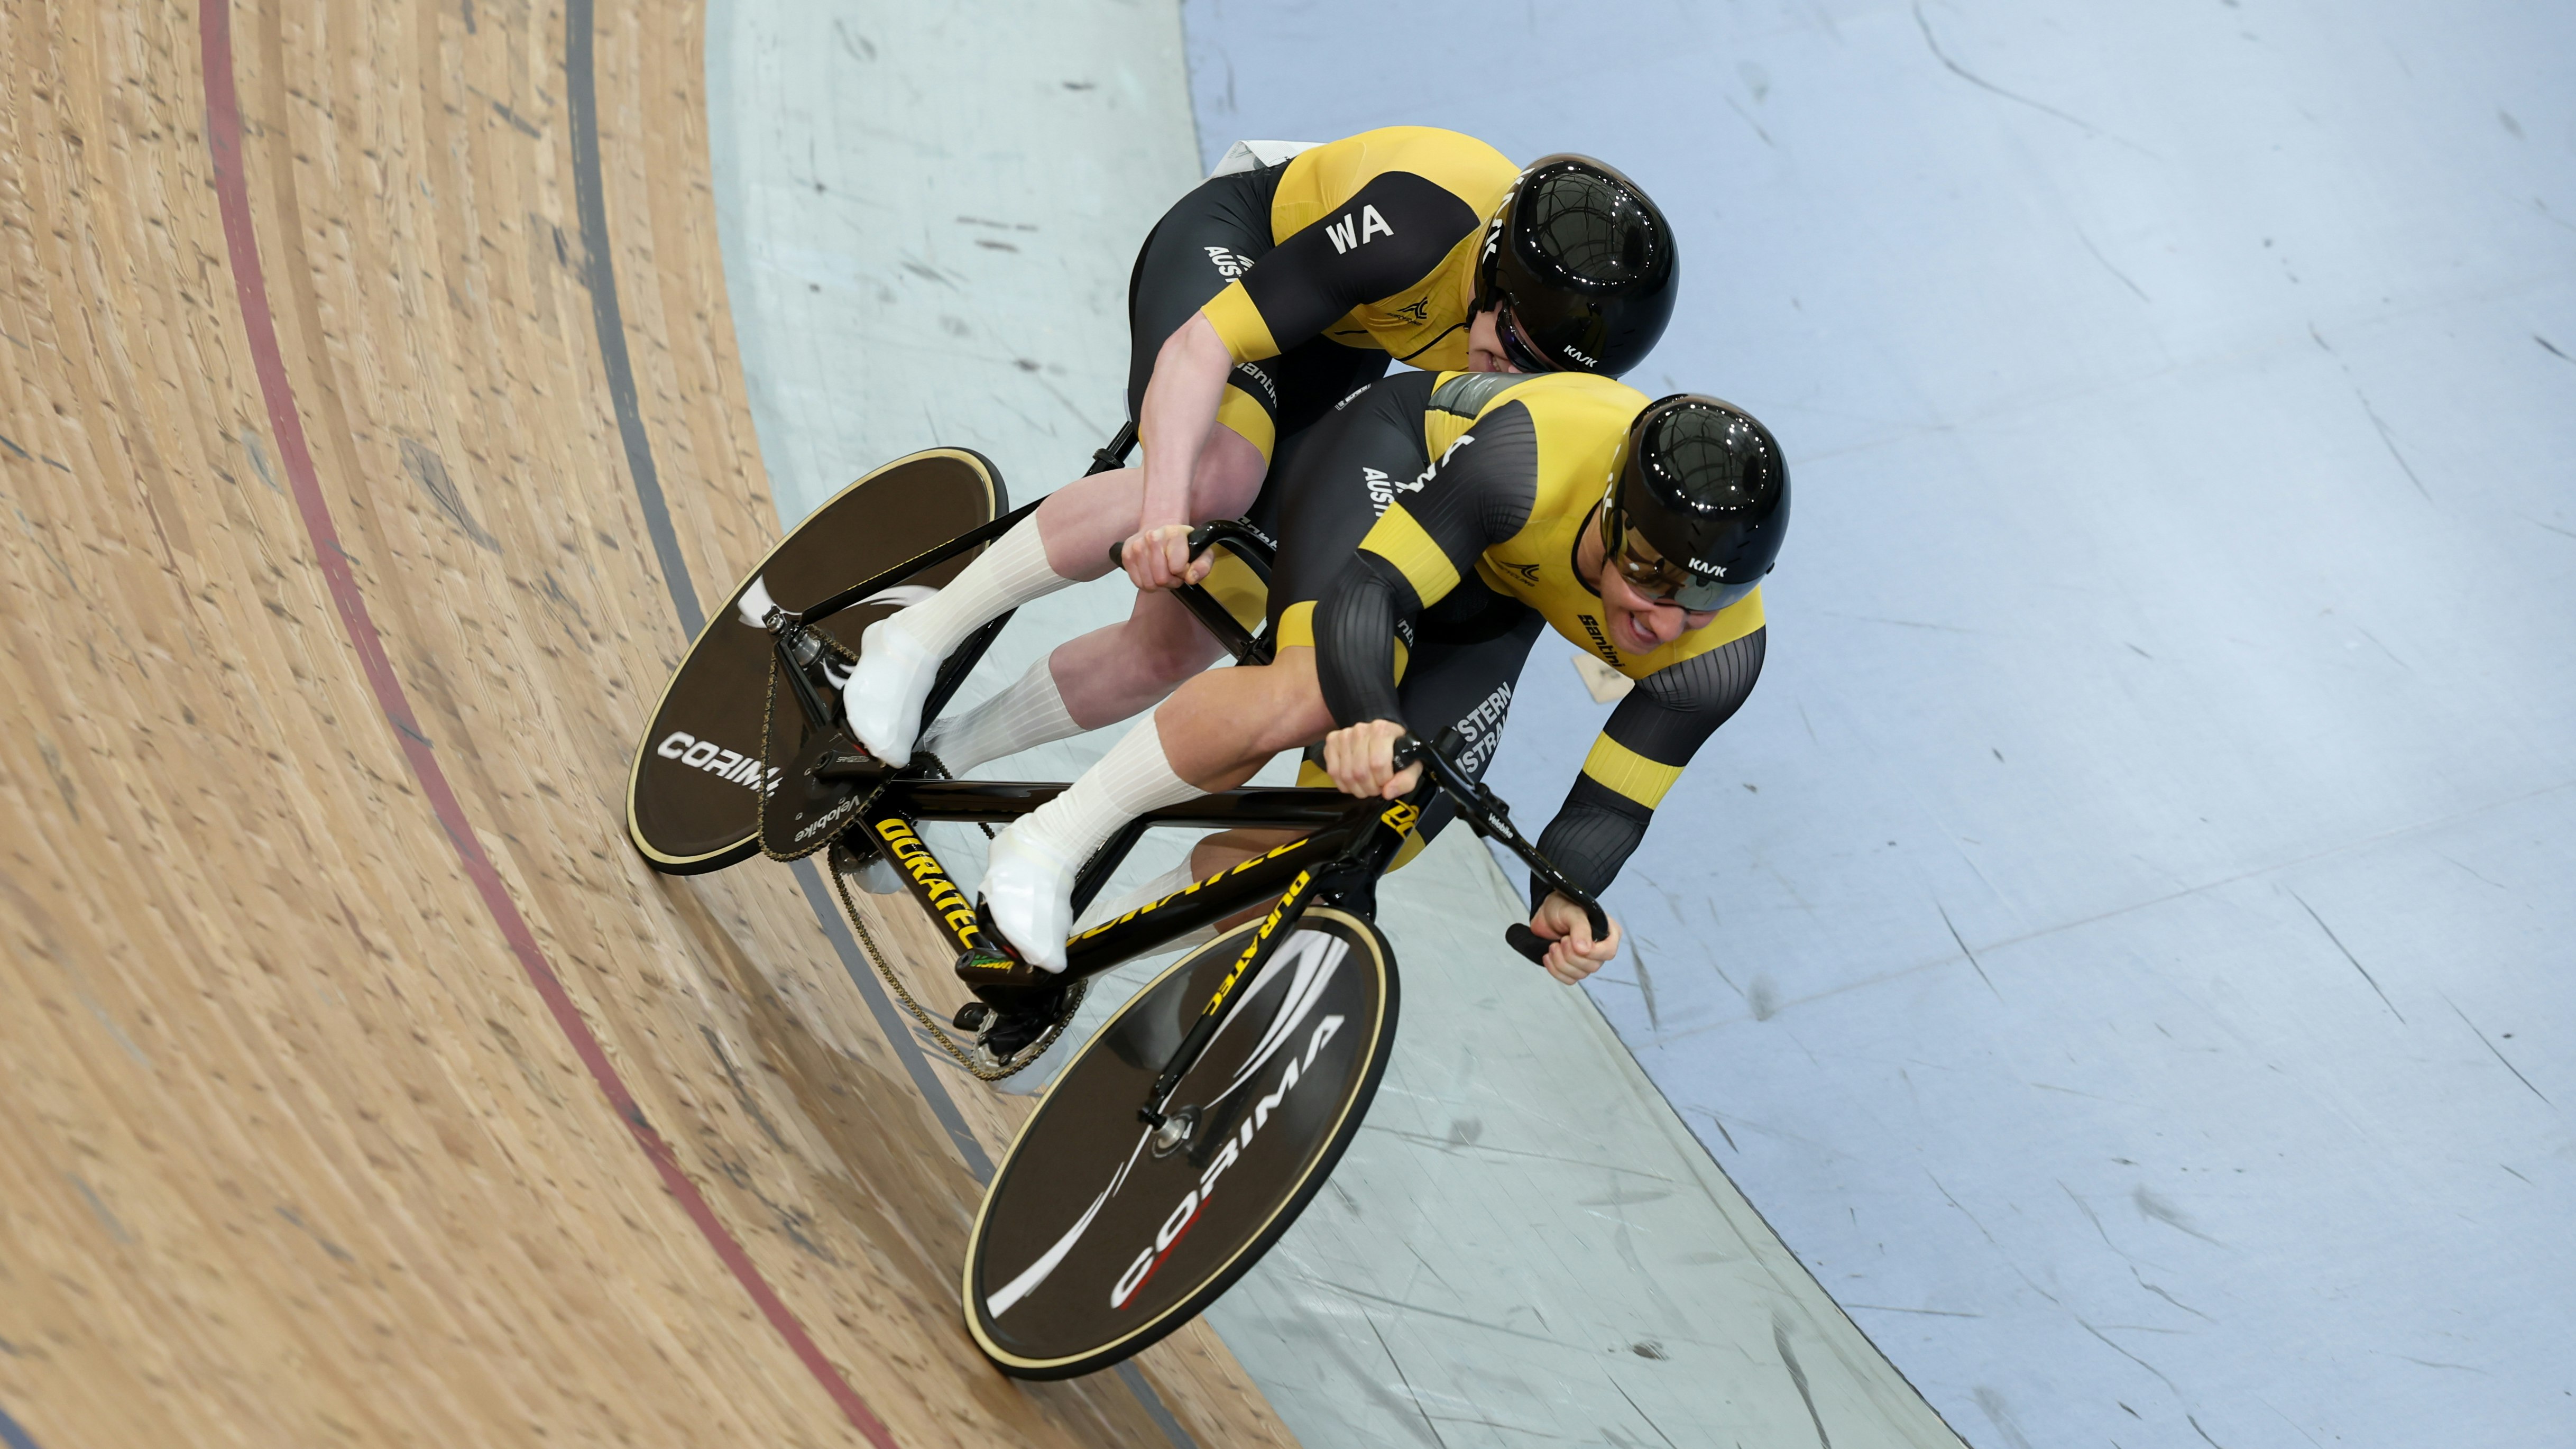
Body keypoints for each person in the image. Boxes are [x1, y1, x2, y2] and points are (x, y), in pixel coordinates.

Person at [842, 129, 1679, 777]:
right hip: (1245, 255)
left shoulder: (1526, 348)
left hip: (1336, 340)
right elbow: (1204, 344)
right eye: (1509, 346)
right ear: (1491, 275)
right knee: (1218, 479)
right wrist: (1167, 510)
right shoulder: (1420, 225)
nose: (1507, 378)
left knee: (1184, 640)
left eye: (1541, 373)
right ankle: (915, 637)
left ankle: (946, 758)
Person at [971, 367, 1789, 979]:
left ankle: (1084, 951)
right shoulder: (1526, 462)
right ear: (1611, 521)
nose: (1665, 621)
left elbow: (1614, 802)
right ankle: (1048, 841)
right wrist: (1370, 713)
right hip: (1400, 471)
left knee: (1357, 840)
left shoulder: (1717, 656)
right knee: (1317, 685)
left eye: (1707, 597)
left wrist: (1568, 895)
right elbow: (1374, 591)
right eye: (1648, 574)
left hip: (1499, 590)